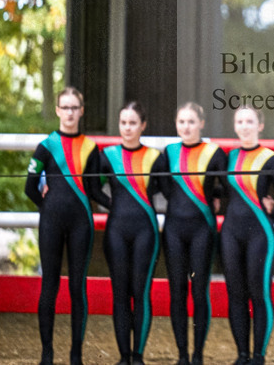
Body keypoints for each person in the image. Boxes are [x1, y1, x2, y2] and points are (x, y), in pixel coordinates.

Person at [25, 87, 109, 365]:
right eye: (66, 107)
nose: (70, 112)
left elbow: (95, 191)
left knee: (77, 287)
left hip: (80, 224)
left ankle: (76, 356)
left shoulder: (91, 148)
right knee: (49, 285)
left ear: (81, 111)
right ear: (58, 110)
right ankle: (46, 354)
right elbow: (29, 187)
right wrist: (47, 206)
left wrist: (119, 203)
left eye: (75, 107)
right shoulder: (46, 146)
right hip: (51, 222)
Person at [152, 102, 228, 365]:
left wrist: (215, 196)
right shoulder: (168, 152)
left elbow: (228, 185)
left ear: (201, 124)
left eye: (191, 122)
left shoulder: (214, 152)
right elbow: (159, 185)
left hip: (202, 231)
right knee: (177, 292)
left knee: (199, 292)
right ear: (176, 125)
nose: (186, 127)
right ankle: (182, 355)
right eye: (181, 122)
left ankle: (197, 355)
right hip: (173, 229)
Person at [222, 106, 274, 365]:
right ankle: (242, 355)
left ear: (260, 126)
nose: (244, 125)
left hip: (260, 236)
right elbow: (218, 190)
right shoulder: (228, 158)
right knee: (236, 294)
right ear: (234, 125)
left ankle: (258, 356)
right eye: (240, 121)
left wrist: (269, 219)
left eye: (250, 121)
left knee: (258, 293)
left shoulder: (269, 158)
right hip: (230, 234)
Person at [100, 101, 161, 365]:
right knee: (120, 292)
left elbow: (168, 188)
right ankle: (124, 356)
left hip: (145, 231)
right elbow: (90, 187)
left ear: (143, 126)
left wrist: (214, 196)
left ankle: (138, 356)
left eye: (133, 123)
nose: (127, 128)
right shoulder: (107, 155)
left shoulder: (154, 157)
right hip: (115, 231)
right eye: (123, 123)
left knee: (140, 291)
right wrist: (112, 204)